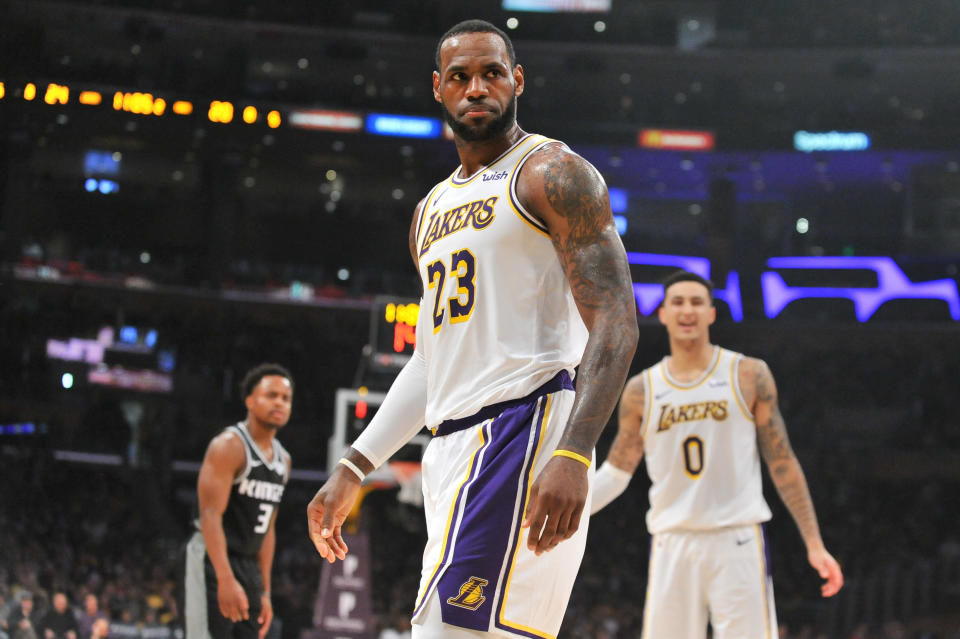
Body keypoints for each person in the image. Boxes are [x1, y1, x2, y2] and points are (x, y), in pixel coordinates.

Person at [307, 18, 638, 639]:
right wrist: (355, 466)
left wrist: (574, 450)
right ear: (438, 88)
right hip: (451, 453)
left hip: (524, 429)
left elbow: (616, 319)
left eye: (491, 73)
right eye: (459, 77)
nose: (476, 88)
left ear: (517, 80)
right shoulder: (429, 211)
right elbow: (432, 362)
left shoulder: (553, 173)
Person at [591, 270, 844, 638]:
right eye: (677, 302)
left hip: (737, 539)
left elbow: (782, 461)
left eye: (697, 302)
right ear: (662, 313)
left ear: (711, 313)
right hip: (671, 538)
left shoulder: (748, 374)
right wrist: (553, 517)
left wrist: (815, 544)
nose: (687, 310)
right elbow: (616, 473)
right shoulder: (641, 390)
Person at [184, 364, 294, 639]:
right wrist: (224, 577)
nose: (280, 402)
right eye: (272, 395)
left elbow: (268, 529)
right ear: (250, 401)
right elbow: (210, 515)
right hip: (211, 558)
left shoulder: (284, 460)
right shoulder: (228, 446)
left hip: (249, 564)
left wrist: (265, 591)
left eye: (286, 398)